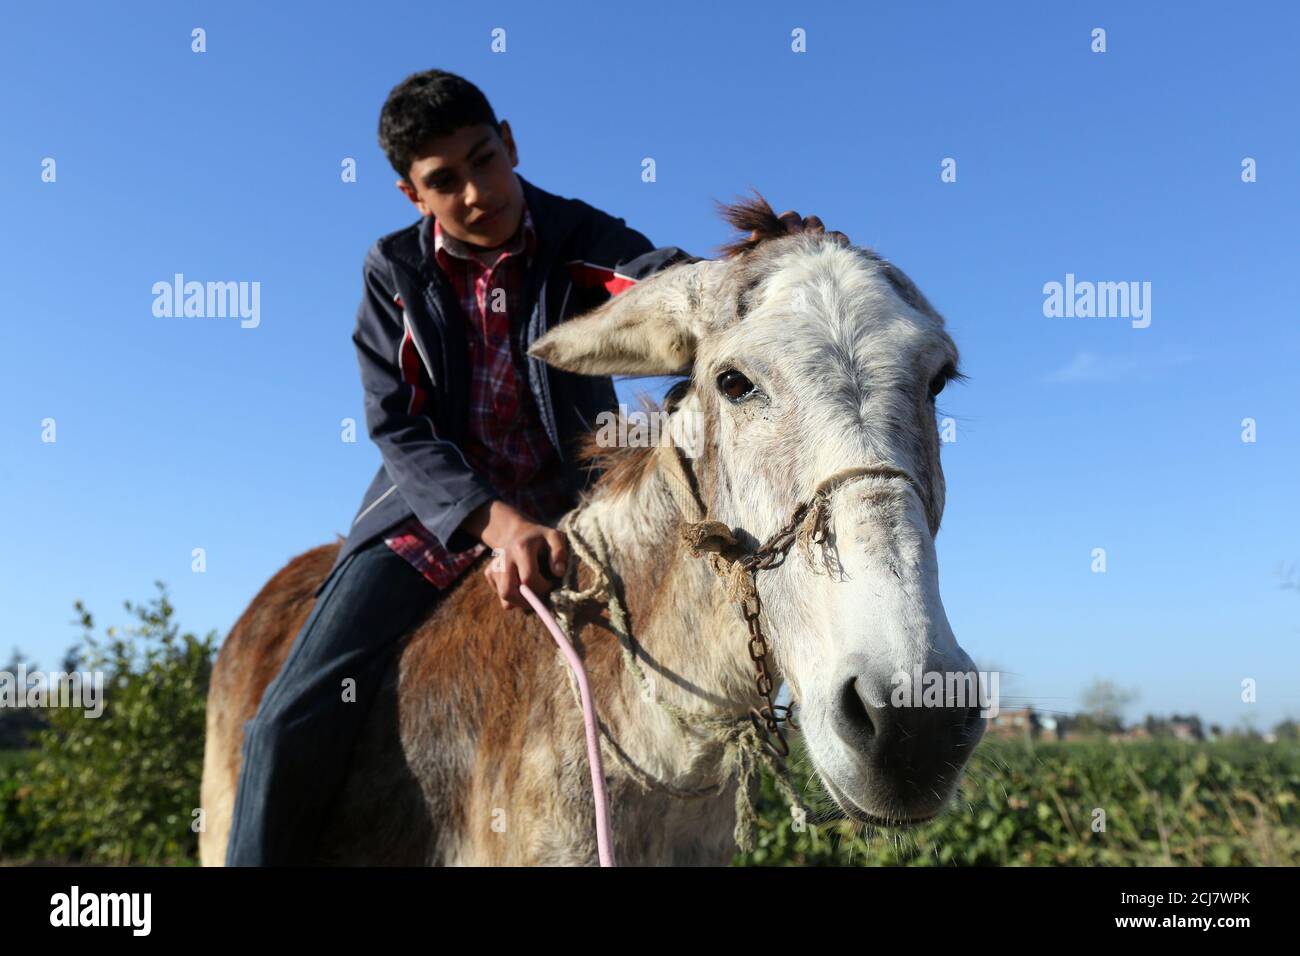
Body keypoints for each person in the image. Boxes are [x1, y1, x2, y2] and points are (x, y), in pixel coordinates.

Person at [224, 68, 838, 865]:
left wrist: (757, 271)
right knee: (285, 721)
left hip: (573, 509)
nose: (477, 192)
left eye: (484, 159)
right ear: (414, 196)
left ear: (509, 143)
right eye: (446, 182)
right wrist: (494, 521)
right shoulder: (394, 274)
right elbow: (396, 423)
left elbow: (659, 279)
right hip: (430, 522)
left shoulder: (577, 235)